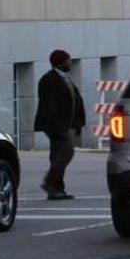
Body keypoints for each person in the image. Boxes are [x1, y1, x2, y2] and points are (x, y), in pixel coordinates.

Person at [34, 49, 86, 200]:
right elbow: (48, 106)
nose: (70, 62)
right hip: (55, 126)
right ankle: (49, 183)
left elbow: (75, 102)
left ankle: (57, 189)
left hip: (65, 125)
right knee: (66, 153)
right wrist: (56, 127)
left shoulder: (65, 78)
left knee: (58, 156)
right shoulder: (49, 80)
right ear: (60, 62)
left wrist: (77, 124)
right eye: (67, 60)